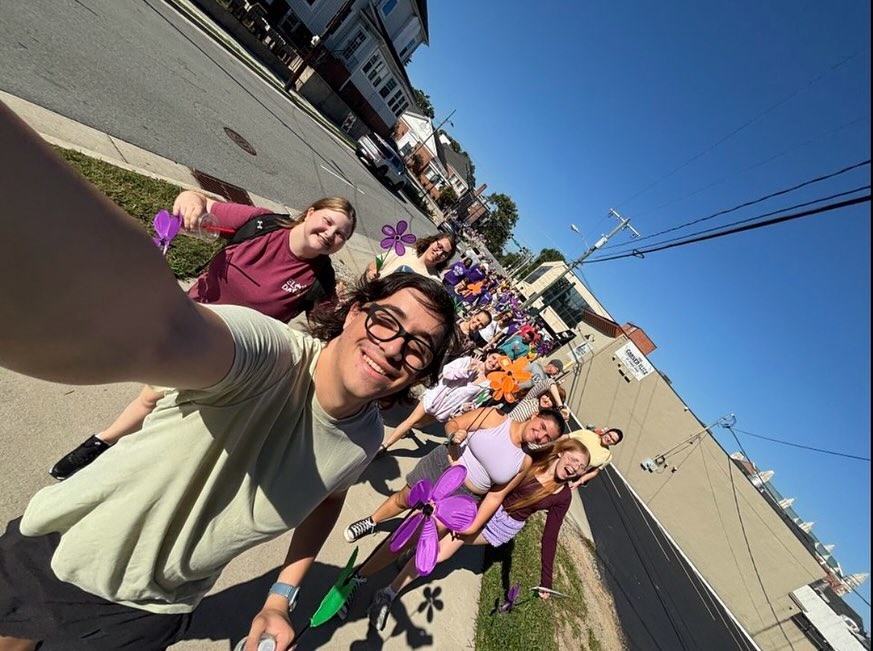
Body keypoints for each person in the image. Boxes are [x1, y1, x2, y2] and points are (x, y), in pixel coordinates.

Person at [0, 108, 460, 651]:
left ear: (424, 373)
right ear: (356, 311)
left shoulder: (365, 438)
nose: (395, 347)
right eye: (387, 321)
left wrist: (280, 596)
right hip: (65, 556)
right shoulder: (271, 353)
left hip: (155, 614)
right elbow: (156, 328)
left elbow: (329, 497)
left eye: (419, 348)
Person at [48, 189, 358, 480]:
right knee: (158, 394)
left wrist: (351, 311)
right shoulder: (262, 224)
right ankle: (109, 447)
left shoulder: (320, 279)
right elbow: (199, 202)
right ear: (310, 213)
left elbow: (330, 331)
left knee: (158, 395)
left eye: (341, 235)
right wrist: (190, 202)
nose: (330, 234)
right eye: (328, 222)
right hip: (191, 320)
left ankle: (104, 444)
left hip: (236, 353)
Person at [340, 407, 566, 623]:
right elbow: (454, 423)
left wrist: (473, 525)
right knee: (403, 499)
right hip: (442, 468)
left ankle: (356, 579)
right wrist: (454, 435)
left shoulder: (524, 461)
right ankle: (371, 522)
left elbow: (496, 495)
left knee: (409, 536)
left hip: (461, 499)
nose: (540, 436)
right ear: (535, 415)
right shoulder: (495, 418)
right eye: (542, 426)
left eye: (547, 437)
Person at [368, 437, 591, 627]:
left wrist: (546, 581)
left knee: (438, 554)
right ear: (561, 452)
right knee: (432, 538)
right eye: (574, 459)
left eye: (581, 467)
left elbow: (550, 536)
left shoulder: (563, 496)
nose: (575, 467)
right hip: (482, 506)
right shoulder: (533, 460)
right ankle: (403, 568)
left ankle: (388, 593)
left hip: (500, 527)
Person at [377, 349, 504, 454]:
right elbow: (447, 372)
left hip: (446, 410)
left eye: (497, 363)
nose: (493, 363)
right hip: (434, 398)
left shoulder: (488, 384)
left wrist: (467, 408)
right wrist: (467, 370)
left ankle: (407, 430)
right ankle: (384, 446)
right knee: (411, 420)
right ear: (488, 355)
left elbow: (475, 402)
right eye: (493, 357)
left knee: (419, 424)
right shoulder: (468, 361)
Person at [367, 232, 456, 281]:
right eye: (439, 246)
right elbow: (378, 260)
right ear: (433, 241)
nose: (439, 253)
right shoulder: (404, 251)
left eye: (445, 254)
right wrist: (373, 270)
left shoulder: (434, 281)